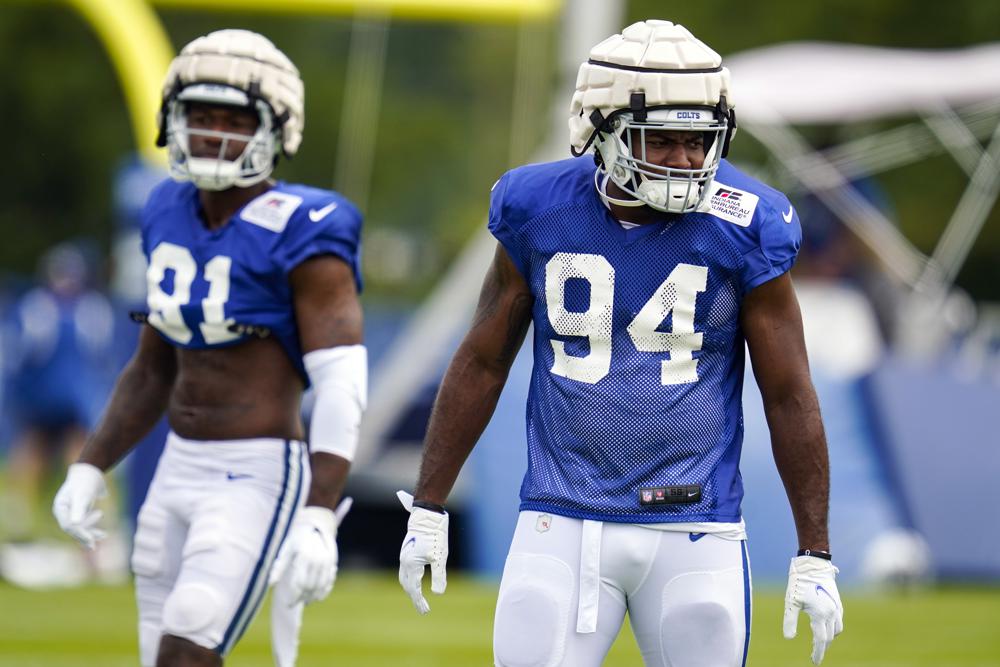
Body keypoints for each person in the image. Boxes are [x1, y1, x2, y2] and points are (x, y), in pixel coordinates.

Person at [398, 19, 843, 667]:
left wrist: (815, 550)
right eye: (661, 139)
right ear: (599, 131)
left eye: (699, 139)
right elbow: (483, 359)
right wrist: (430, 505)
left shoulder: (748, 219)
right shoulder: (536, 204)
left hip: (697, 525)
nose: (687, 159)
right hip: (562, 516)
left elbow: (788, 391)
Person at [51, 29, 366, 667]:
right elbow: (151, 368)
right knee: (162, 655)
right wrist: (90, 465)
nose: (214, 134)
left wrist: (319, 511)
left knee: (187, 646)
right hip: (175, 465)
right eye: (200, 117)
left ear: (277, 129)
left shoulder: (306, 227)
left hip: (255, 470)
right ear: (173, 121)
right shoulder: (164, 208)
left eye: (234, 119)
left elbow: (341, 382)